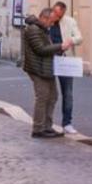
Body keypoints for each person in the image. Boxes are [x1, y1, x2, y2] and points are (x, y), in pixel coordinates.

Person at [22, 8, 72, 138]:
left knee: (53, 96)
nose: (52, 24)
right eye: (51, 21)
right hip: (38, 69)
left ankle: (47, 126)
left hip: (47, 68)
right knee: (43, 97)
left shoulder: (42, 29)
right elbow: (40, 49)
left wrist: (59, 50)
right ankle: (38, 129)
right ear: (44, 18)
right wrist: (60, 46)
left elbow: (46, 48)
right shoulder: (33, 29)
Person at [49, 1, 84, 133]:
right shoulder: (47, 20)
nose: (56, 17)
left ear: (63, 13)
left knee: (67, 93)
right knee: (49, 93)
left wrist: (70, 41)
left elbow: (79, 38)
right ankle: (48, 122)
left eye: (59, 15)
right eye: (55, 13)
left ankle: (67, 122)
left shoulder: (70, 21)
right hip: (50, 60)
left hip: (65, 61)